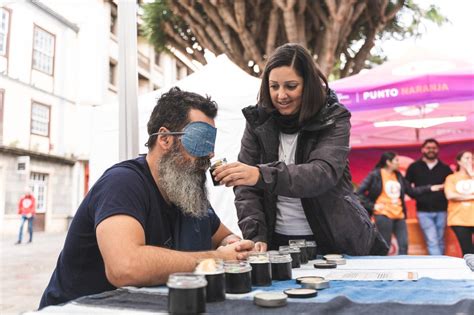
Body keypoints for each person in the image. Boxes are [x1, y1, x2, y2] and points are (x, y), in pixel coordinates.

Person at [39, 88, 254, 308]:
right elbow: (125, 267)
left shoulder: (187, 191)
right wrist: (216, 259)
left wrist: (234, 246)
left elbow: (224, 238)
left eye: (211, 144)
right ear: (164, 139)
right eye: (200, 141)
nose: (210, 154)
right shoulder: (122, 183)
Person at [213, 43, 388, 255]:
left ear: (308, 85)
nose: (281, 95)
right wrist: (256, 234)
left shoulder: (335, 118)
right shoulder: (257, 122)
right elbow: (246, 189)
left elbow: (321, 173)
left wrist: (260, 174)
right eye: (274, 86)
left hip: (335, 240)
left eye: (291, 86)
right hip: (276, 244)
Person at [357, 152, 443, 255]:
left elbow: (411, 191)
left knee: (404, 245)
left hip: (399, 214)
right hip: (383, 214)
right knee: (385, 245)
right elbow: (359, 192)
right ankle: (383, 269)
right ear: (388, 162)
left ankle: (402, 267)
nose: (399, 163)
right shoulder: (375, 174)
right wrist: (373, 205)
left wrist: (430, 188)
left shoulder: (398, 176)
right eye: (396, 160)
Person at [405, 139, 453, 255]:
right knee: (432, 240)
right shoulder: (414, 167)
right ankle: (438, 267)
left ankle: (440, 264)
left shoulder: (445, 168)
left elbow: (452, 187)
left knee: (440, 240)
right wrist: (420, 194)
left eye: (434, 148)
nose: (431, 150)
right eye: (428, 147)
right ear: (423, 149)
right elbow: (407, 188)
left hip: (442, 210)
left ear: (438, 150)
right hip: (423, 211)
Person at [444, 150, 474, 255]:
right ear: (459, 162)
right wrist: (471, 196)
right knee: (468, 251)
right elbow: (450, 195)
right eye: (467, 158)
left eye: (472, 158)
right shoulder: (451, 178)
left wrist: (471, 174)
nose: (470, 161)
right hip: (459, 219)